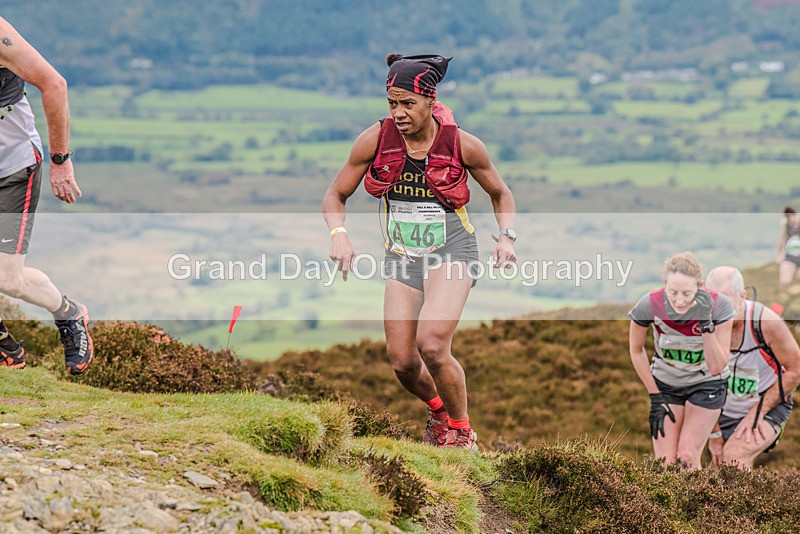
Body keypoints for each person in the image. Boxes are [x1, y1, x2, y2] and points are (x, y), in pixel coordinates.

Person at [323, 53, 516, 450]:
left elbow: (501, 193)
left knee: (431, 343)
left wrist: (507, 238)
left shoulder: (463, 144)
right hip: (403, 255)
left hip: (453, 250)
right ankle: (439, 413)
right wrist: (339, 233)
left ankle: (462, 432)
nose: (398, 112)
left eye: (407, 103)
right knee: (403, 362)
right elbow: (335, 193)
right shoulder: (374, 139)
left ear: (430, 101)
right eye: (392, 103)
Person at [0, 16, 93, 374]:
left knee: (8, 279)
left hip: (13, 167)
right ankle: (7, 350)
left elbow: (54, 84)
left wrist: (60, 162)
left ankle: (69, 314)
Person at [628, 252, 734, 469]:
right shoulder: (648, 304)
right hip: (666, 385)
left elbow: (716, 367)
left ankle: (693, 503)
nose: (679, 300)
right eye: (673, 292)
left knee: (686, 457)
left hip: (707, 384)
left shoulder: (719, 306)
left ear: (700, 286)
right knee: (665, 463)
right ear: (664, 284)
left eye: (687, 293)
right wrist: (654, 396)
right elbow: (636, 350)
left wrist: (706, 325)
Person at [705, 266, 800, 469]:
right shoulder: (705, 327)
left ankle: (750, 502)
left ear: (742, 296)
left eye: (726, 301)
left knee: (734, 456)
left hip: (766, 406)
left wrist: (757, 412)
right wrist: (714, 434)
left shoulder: (766, 323)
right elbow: (702, 382)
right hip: (720, 410)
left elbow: (795, 368)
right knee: (708, 465)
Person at [777, 206, 800, 293]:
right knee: (784, 282)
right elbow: (782, 240)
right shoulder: (787, 227)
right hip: (790, 257)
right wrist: (779, 255)